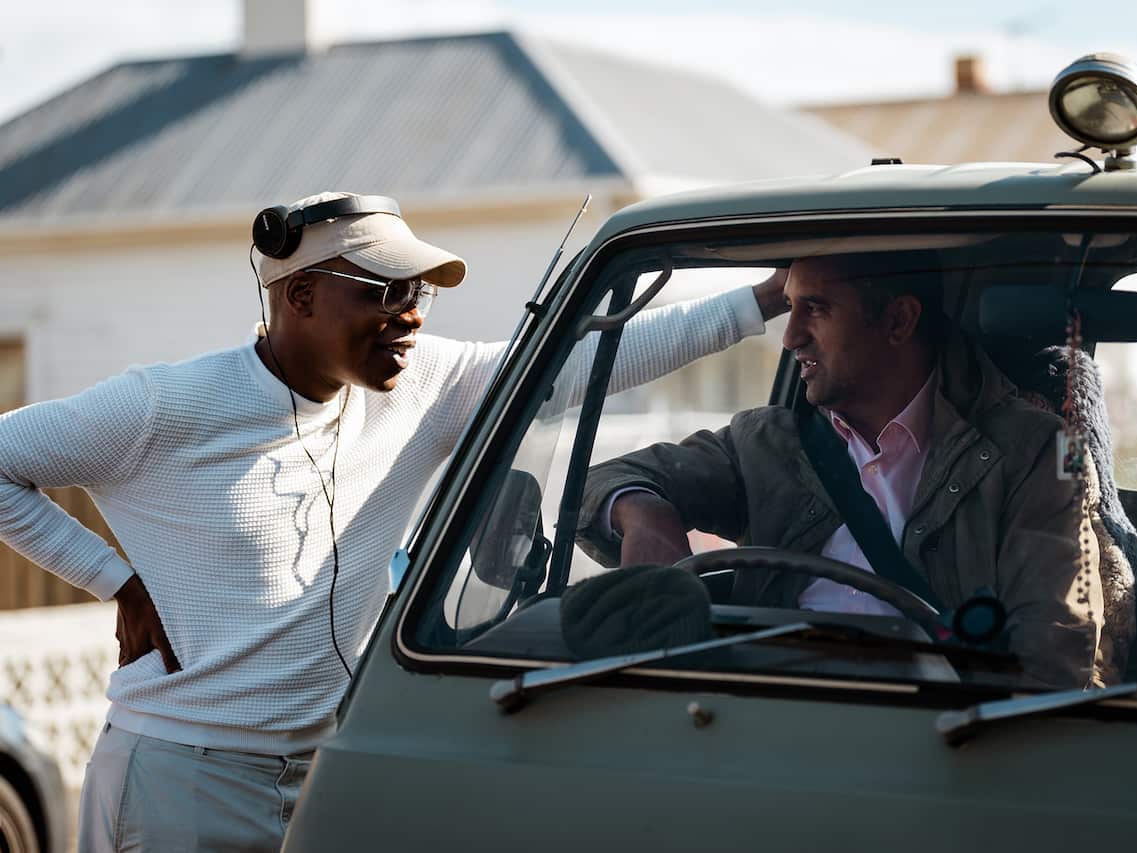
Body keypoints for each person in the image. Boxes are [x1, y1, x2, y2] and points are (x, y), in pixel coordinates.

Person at [0, 191, 786, 851]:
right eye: (382, 291)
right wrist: (118, 581)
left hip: (329, 778)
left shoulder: (423, 385)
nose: (409, 315)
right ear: (298, 293)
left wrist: (766, 298)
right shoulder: (165, 404)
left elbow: (591, 357)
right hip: (182, 783)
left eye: (419, 293)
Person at [576, 253, 1108, 689]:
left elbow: (1053, 655)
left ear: (899, 320)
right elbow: (599, 484)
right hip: (759, 722)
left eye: (816, 309)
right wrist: (645, 516)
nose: (789, 337)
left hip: (946, 743)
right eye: (789, 308)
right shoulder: (768, 441)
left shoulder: (1041, 451)